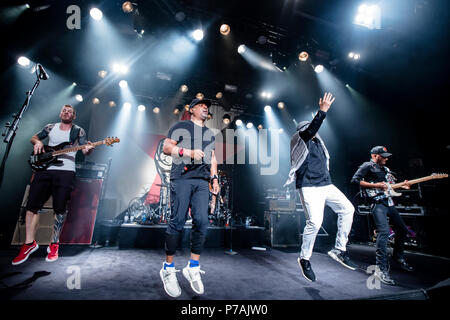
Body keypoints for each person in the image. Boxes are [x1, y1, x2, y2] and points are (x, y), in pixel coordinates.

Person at [285, 92, 357, 282]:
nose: (315, 130)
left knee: (348, 209)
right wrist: (322, 111)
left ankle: (339, 249)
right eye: (311, 128)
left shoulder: (319, 142)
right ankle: (304, 258)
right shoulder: (298, 138)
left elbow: (322, 155)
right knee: (315, 223)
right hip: (309, 186)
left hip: (326, 185)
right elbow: (310, 130)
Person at [12, 104, 94, 265]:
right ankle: (29, 243)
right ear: (60, 113)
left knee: (60, 209)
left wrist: (89, 149)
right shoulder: (50, 127)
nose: (66, 112)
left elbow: (85, 150)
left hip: (66, 171)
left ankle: (54, 243)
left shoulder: (79, 131)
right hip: (44, 169)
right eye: (64, 110)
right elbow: (33, 137)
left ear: (74, 116)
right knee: (31, 207)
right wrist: (38, 143)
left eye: (70, 111)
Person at [160, 97, 219, 297]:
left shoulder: (209, 133)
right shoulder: (181, 126)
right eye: (201, 106)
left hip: (202, 181)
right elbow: (167, 148)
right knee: (177, 220)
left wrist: (215, 178)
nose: (205, 108)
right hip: (182, 178)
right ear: (191, 109)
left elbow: (212, 158)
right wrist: (188, 152)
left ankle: (193, 266)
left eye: (207, 107)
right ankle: (167, 269)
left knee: (202, 221)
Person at [351, 146, 413, 285]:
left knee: (402, 229)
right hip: (377, 203)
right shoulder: (367, 166)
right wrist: (376, 186)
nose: (386, 158)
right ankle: (381, 270)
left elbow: (390, 185)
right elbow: (355, 180)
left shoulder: (386, 170)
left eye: (386, 156)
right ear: (374, 156)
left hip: (388, 202)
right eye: (383, 155)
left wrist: (401, 186)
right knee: (383, 233)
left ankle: (398, 257)